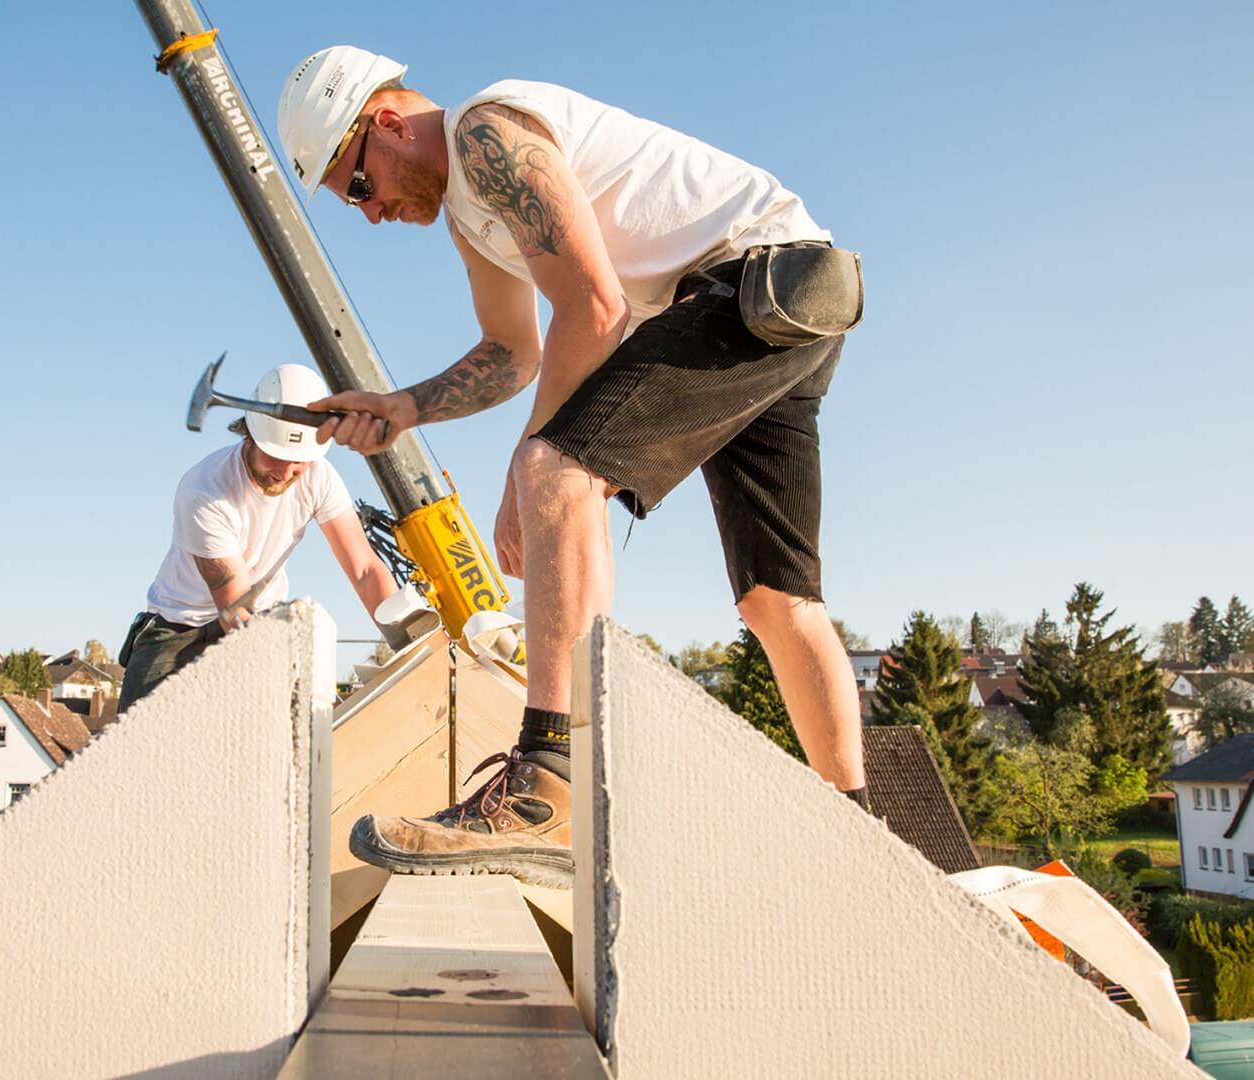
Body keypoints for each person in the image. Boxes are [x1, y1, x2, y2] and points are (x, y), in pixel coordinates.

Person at [276, 47, 867, 887]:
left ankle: (547, 783)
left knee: (556, 470)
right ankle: (859, 840)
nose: (370, 215)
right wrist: (403, 406)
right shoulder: (470, 219)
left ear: (390, 124)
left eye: (359, 186)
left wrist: (529, 471)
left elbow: (595, 307)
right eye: (353, 205)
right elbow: (512, 354)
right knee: (777, 598)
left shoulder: (487, 133)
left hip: (754, 281)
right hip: (791, 297)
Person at [117, 363, 400, 713]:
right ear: (249, 433)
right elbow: (235, 606)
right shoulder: (205, 491)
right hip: (180, 629)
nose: (285, 472)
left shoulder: (318, 476)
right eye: (276, 456)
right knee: (138, 736)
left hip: (261, 617)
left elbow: (364, 569)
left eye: (298, 462)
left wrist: (405, 640)